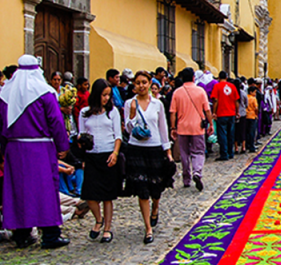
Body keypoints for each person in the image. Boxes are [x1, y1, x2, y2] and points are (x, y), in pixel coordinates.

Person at [0, 55, 71, 249]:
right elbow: (56, 122)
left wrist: (2, 151)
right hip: (39, 149)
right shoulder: (44, 93)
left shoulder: (5, 94)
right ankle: (50, 234)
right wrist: (62, 146)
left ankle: (22, 234)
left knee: (19, 192)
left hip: (14, 149)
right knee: (44, 191)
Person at [124, 70, 173, 244]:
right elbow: (128, 130)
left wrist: (167, 151)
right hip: (136, 149)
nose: (141, 86)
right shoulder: (129, 103)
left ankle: (156, 208)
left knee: (156, 187)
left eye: (144, 82)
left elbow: (162, 127)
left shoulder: (157, 104)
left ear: (149, 84)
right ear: (134, 85)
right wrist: (131, 115)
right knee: (142, 189)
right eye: (138, 83)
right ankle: (148, 228)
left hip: (154, 148)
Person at [78, 78, 122, 243]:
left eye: (108, 95)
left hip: (107, 154)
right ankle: (98, 219)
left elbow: (118, 135)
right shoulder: (84, 112)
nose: (106, 98)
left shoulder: (113, 112)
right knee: (90, 194)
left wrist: (115, 153)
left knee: (107, 195)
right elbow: (81, 133)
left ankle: (107, 228)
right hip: (91, 155)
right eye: (104, 95)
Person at [170, 67, 213, 191]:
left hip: (182, 127)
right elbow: (207, 110)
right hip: (197, 127)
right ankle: (197, 172)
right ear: (194, 77)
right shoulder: (200, 91)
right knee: (198, 151)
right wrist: (210, 123)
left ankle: (186, 177)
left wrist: (173, 127)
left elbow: (172, 112)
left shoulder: (177, 92)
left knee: (184, 153)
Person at [211, 71, 239, 161]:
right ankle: (230, 152)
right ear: (227, 77)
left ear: (218, 78)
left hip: (222, 113)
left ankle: (224, 153)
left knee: (222, 134)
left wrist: (214, 112)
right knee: (231, 134)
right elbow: (236, 101)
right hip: (231, 113)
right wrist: (237, 112)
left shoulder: (217, 86)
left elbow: (215, 100)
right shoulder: (232, 86)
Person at [245, 85, 260, 151]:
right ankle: (252, 146)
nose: (255, 94)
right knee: (252, 132)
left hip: (246, 115)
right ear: (251, 92)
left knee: (247, 132)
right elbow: (256, 108)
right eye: (254, 92)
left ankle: (247, 145)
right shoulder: (253, 99)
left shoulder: (246, 97)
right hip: (252, 115)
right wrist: (256, 114)